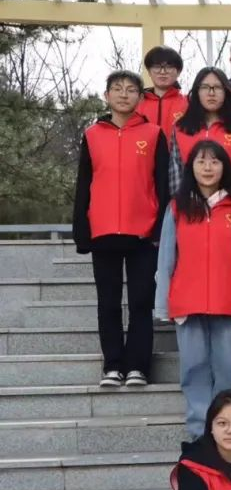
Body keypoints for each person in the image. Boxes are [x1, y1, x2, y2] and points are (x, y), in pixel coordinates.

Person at [73, 70, 169, 388]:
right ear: (107, 96)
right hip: (102, 231)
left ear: (140, 97)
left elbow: (163, 184)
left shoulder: (154, 134)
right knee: (109, 302)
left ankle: (138, 366)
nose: (124, 94)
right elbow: (84, 184)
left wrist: (160, 228)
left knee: (141, 301)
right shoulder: (92, 135)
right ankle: (113, 365)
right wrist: (82, 229)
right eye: (117, 89)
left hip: (143, 232)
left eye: (130, 90)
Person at [155, 141, 231, 441]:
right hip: (187, 301)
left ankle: (230, 433)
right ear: (190, 167)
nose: (208, 168)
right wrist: (163, 303)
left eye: (215, 161)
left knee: (230, 371)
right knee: (193, 370)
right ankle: (200, 434)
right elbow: (166, 258)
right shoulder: (177, 207)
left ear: (225, 168)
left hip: (229, 301)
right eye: (201, 161)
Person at [169, 67, 231, 196]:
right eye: (205, 87)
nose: (211, 93)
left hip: (229, 202)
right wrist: (181, 202)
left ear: (226, 92)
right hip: (189, 203)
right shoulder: (181, 128)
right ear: (197, 92)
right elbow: (176, 175)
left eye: (217, 87)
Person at [137, 45, 188, 145]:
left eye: (169, 67)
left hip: (177, 154)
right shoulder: (137, 103)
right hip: (143, 154)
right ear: (149, 72)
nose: (162, 72)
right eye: (157, 67)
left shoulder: (189, 103)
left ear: (178, 72)